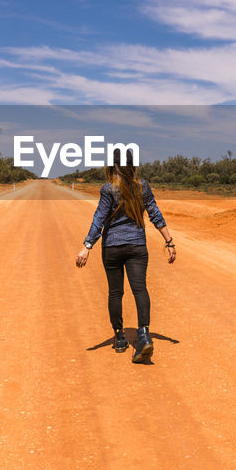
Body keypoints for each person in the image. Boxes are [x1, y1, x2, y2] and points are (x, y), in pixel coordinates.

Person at [75, 150, 175, 363]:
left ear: (112, 166)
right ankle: (144, 334)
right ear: (133, 166)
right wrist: (169, 241)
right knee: (140, 289)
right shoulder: (142, 186)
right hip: (137, 245)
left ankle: (119, 337)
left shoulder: (108, 189)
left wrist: (87, 246)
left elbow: (98, 219)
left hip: (112, 247)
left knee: (115, 292)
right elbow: (155, 213)